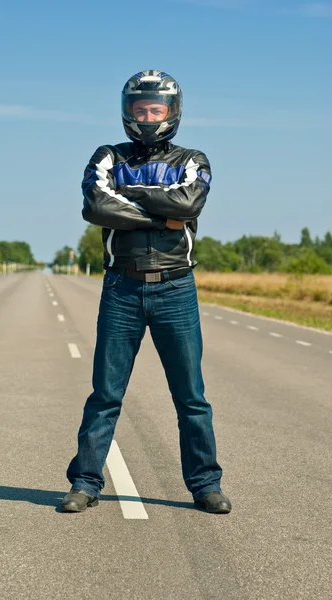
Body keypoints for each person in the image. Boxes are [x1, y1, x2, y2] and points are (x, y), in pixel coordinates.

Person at [61, 70, 231, 515]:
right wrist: (160, 215)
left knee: (190, 396)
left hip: (176, 289)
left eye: (156, 110)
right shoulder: (108, 156)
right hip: (122, 288)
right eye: (140, 109)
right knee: (105, 394)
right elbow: (96, 206)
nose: (148, 116)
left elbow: (189, 204)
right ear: (127, 112)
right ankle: (85, 482)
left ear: (172, 112)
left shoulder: (193, 158)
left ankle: (205, 485)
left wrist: (130, 200)